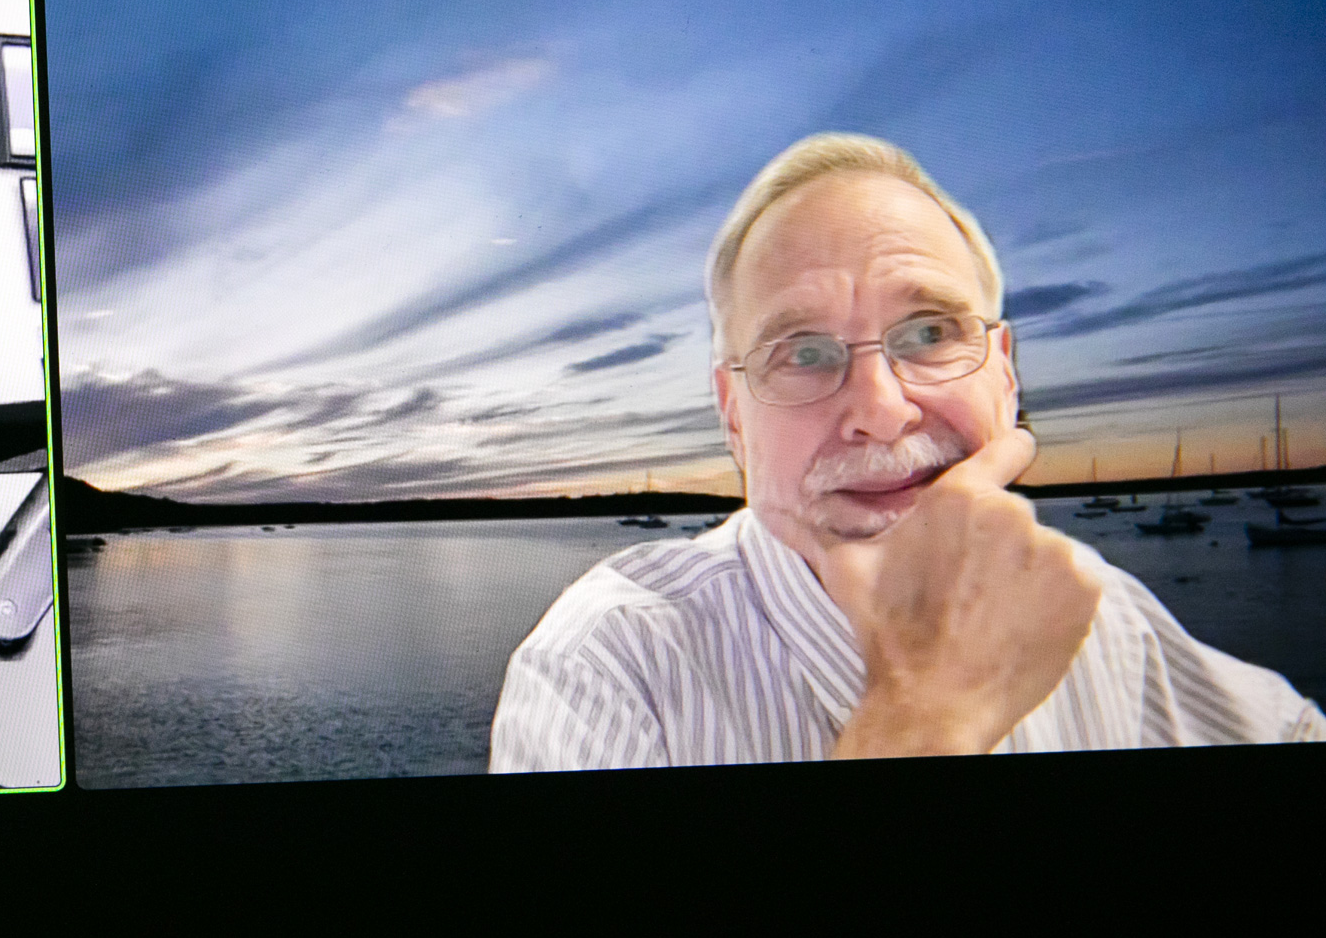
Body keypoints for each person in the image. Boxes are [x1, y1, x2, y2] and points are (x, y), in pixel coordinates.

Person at [490, 133, 1324, 770]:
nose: (882, 411)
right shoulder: (606, 665)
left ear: (1005, 376)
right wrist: (923, 714)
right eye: (804, 352)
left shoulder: (1105, 617)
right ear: (733, 415)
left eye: (930, 332)